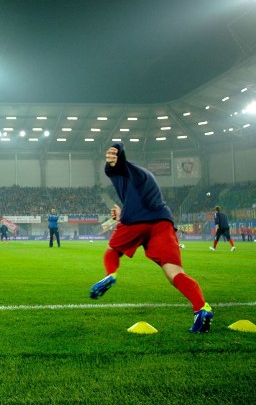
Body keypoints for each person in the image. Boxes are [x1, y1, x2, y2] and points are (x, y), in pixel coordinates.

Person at [90, 143, 213, 333]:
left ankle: (111, 274)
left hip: (135, 222)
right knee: (175, 273)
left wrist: (117, 151)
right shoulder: (143, 178)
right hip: (162, 223)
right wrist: (123, 213)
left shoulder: (130, 171)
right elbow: (144, 204)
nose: (111, 173)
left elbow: (121, 161)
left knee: (113, 251)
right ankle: (201, 308)